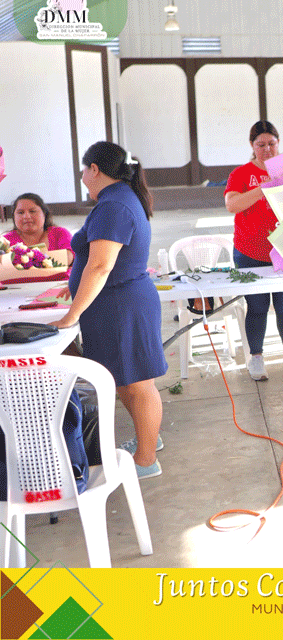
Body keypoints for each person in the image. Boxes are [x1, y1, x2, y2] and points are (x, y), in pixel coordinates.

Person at [49, 142, 166, 479]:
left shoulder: (113, 205)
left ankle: (145, 461)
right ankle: (147, 440)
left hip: (121, 305)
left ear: (95, 169)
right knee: (126, 380)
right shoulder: (118, 199)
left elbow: (101, 266)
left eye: (84, 170)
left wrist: (72, 314)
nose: (82, 177)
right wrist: (73, 285)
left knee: (137, 384)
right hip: (116, 304)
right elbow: (96, 262)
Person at [224, 120, 283, 381]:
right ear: (252, 145)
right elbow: (232, 205)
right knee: (257, 306)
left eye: (272, 143)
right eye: (261, 144)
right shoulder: (241, 173)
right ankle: (256, 357)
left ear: (279, 143)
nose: (267, 149)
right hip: (249, 251)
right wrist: (263, 188)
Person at [4, 192, 74, 278]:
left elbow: (67, 258)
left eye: (32, 211)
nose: (26, 216)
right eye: (20, 212)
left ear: (44, 214)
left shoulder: (60, 233)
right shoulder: (5, 241)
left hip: (58, 284)